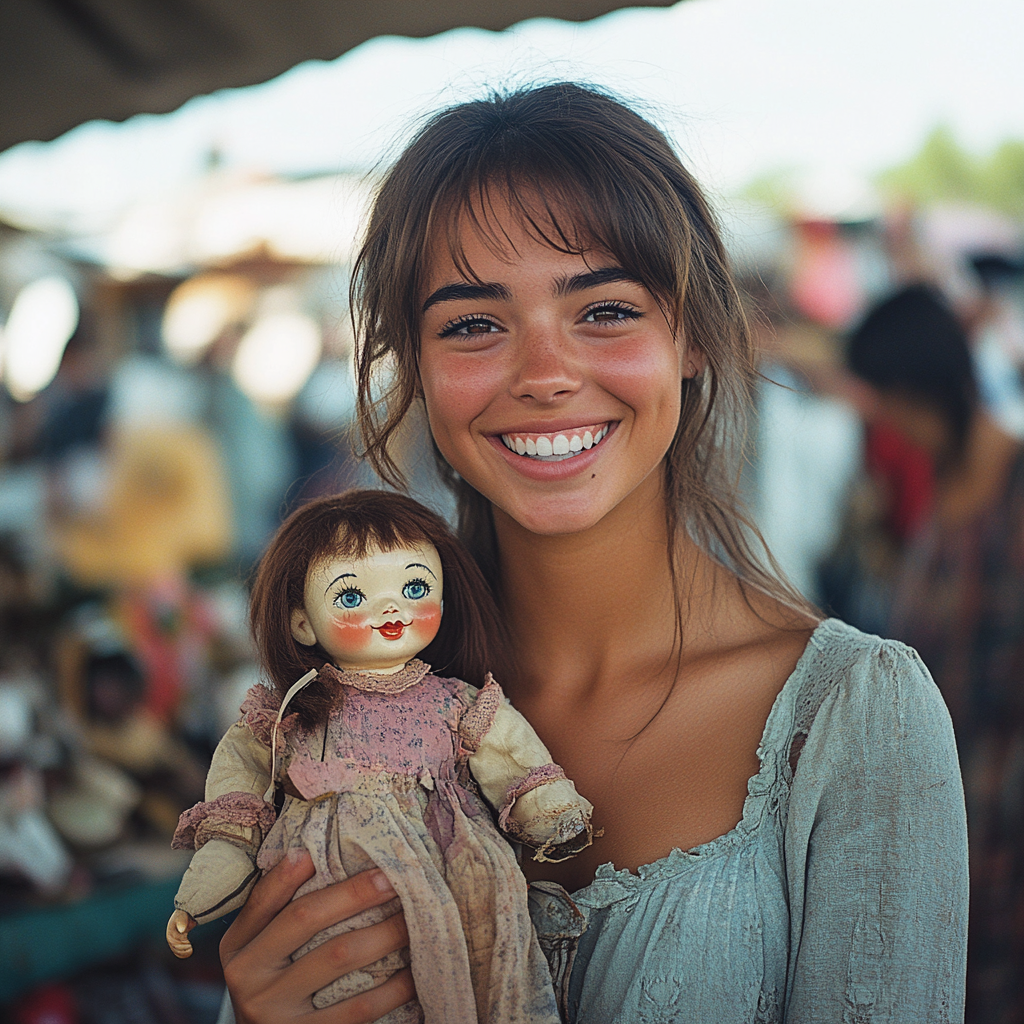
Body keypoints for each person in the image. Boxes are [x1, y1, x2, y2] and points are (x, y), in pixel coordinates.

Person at [217, 84, 968, 1023]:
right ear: (412, 366)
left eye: (606, 310)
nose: (546, 375)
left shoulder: (855, 717)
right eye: (474, 325)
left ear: (690, 336)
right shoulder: (330, 718)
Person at [170, 490, 593, 1023]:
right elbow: (236, 803)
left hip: (457, 875)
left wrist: (549, 809)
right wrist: (202, 890)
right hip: (329, 887)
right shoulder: (289, 716)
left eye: (414, 587)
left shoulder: (459, 703)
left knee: (488, 977)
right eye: (350, 596)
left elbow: (513, 757)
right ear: (302, 623)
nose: (390, 608)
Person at [848, 284, 1024, 1024]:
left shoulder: (1013, 488)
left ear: (930, 383)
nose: (893, 422)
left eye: (897, 401)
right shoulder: (940, 492)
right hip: (950, 825)